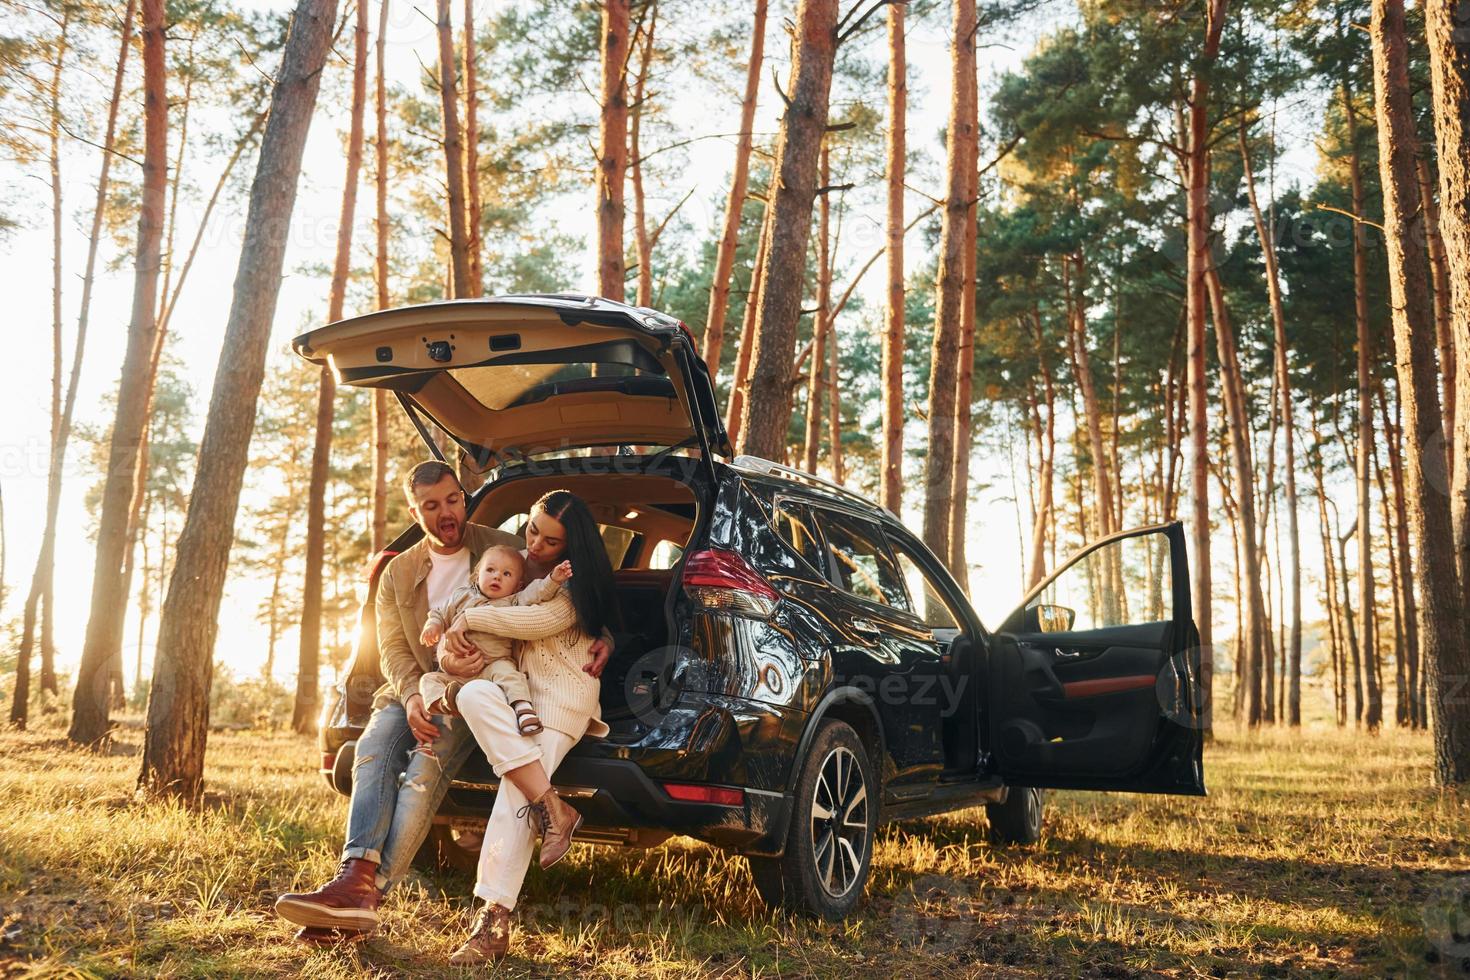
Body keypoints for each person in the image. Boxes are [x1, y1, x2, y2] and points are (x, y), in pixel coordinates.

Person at [273, 464, 609, 945]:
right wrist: (412, 695)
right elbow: (390, 647)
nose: (446, 512)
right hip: (421, 686)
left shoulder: (502, 544)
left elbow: (565, 599)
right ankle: (355, 876)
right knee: (372, 754)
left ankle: (366, 896)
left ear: (463, 497)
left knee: (422, 771)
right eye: (431, 506)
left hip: (486, 689)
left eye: (452, 499)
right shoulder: (398, 569)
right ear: (416, 511)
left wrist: (607, 635)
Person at [440, 490, 619, 966]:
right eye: (532, 530)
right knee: (472, 693)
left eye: (550, 541)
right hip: (511, 693)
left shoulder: (572, 584)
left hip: (560, 700)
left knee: (511, 789)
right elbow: (465, 598)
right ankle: (554, 807)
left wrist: (468, 619)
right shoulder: (508, 563)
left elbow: (534, 622)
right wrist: (452, 642)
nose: (535, 546)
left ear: (571, 548)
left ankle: (493, 920)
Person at [418, 544, 573, 734]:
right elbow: (440, 613)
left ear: (518, 585)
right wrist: (432, 626)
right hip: (458, 675)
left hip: (493, 665)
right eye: (490, 570)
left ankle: (524, 710)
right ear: (477, 575)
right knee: (428, 679)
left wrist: (553, 579)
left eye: (506, 574)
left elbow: (537, 592)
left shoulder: (514, 601)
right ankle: (445, 702)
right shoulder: (461, 596)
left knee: (510, 675)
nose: (497, 576)